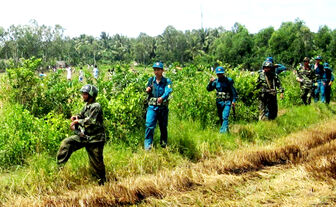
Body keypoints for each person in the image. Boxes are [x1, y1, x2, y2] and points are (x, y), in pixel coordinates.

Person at [56, 84, 106, 185]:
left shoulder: (96, 106)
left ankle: (102, 184)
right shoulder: (86, 106)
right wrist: (76, 117)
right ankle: (59, 169)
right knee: (67, 143)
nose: (82, 95)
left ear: (91, 95)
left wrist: (78, 122)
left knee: (97, 165)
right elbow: (81, 115)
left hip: (96, 139)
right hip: (85, 136)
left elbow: (91, 121)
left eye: (85, 94)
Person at [144, 62, 172, 150]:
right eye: (155, 70)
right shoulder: (151, 80)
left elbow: (168, 90)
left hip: (163, 108)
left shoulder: (167, 81)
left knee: (163, 127)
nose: (156, 72)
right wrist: (148, 89)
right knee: (149, 125)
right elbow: (148, 88)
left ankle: (163, 145)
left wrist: (162, 97)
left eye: (158, 70)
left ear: (162, 71)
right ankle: (148, 146)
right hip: (152, 107)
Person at [207, 66, 237, 133]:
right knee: (221, 117)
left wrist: (234, 100)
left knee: (225, 116)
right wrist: (210, 82)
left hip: (227, 101)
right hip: (219, 102)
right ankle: (226, 131)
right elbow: (209, 89)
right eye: (218, 74)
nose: (219, 75)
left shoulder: (228, 81)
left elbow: (234, 91)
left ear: (223, 73)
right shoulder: (215, 82)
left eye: (221, 73)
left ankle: (222, 133)